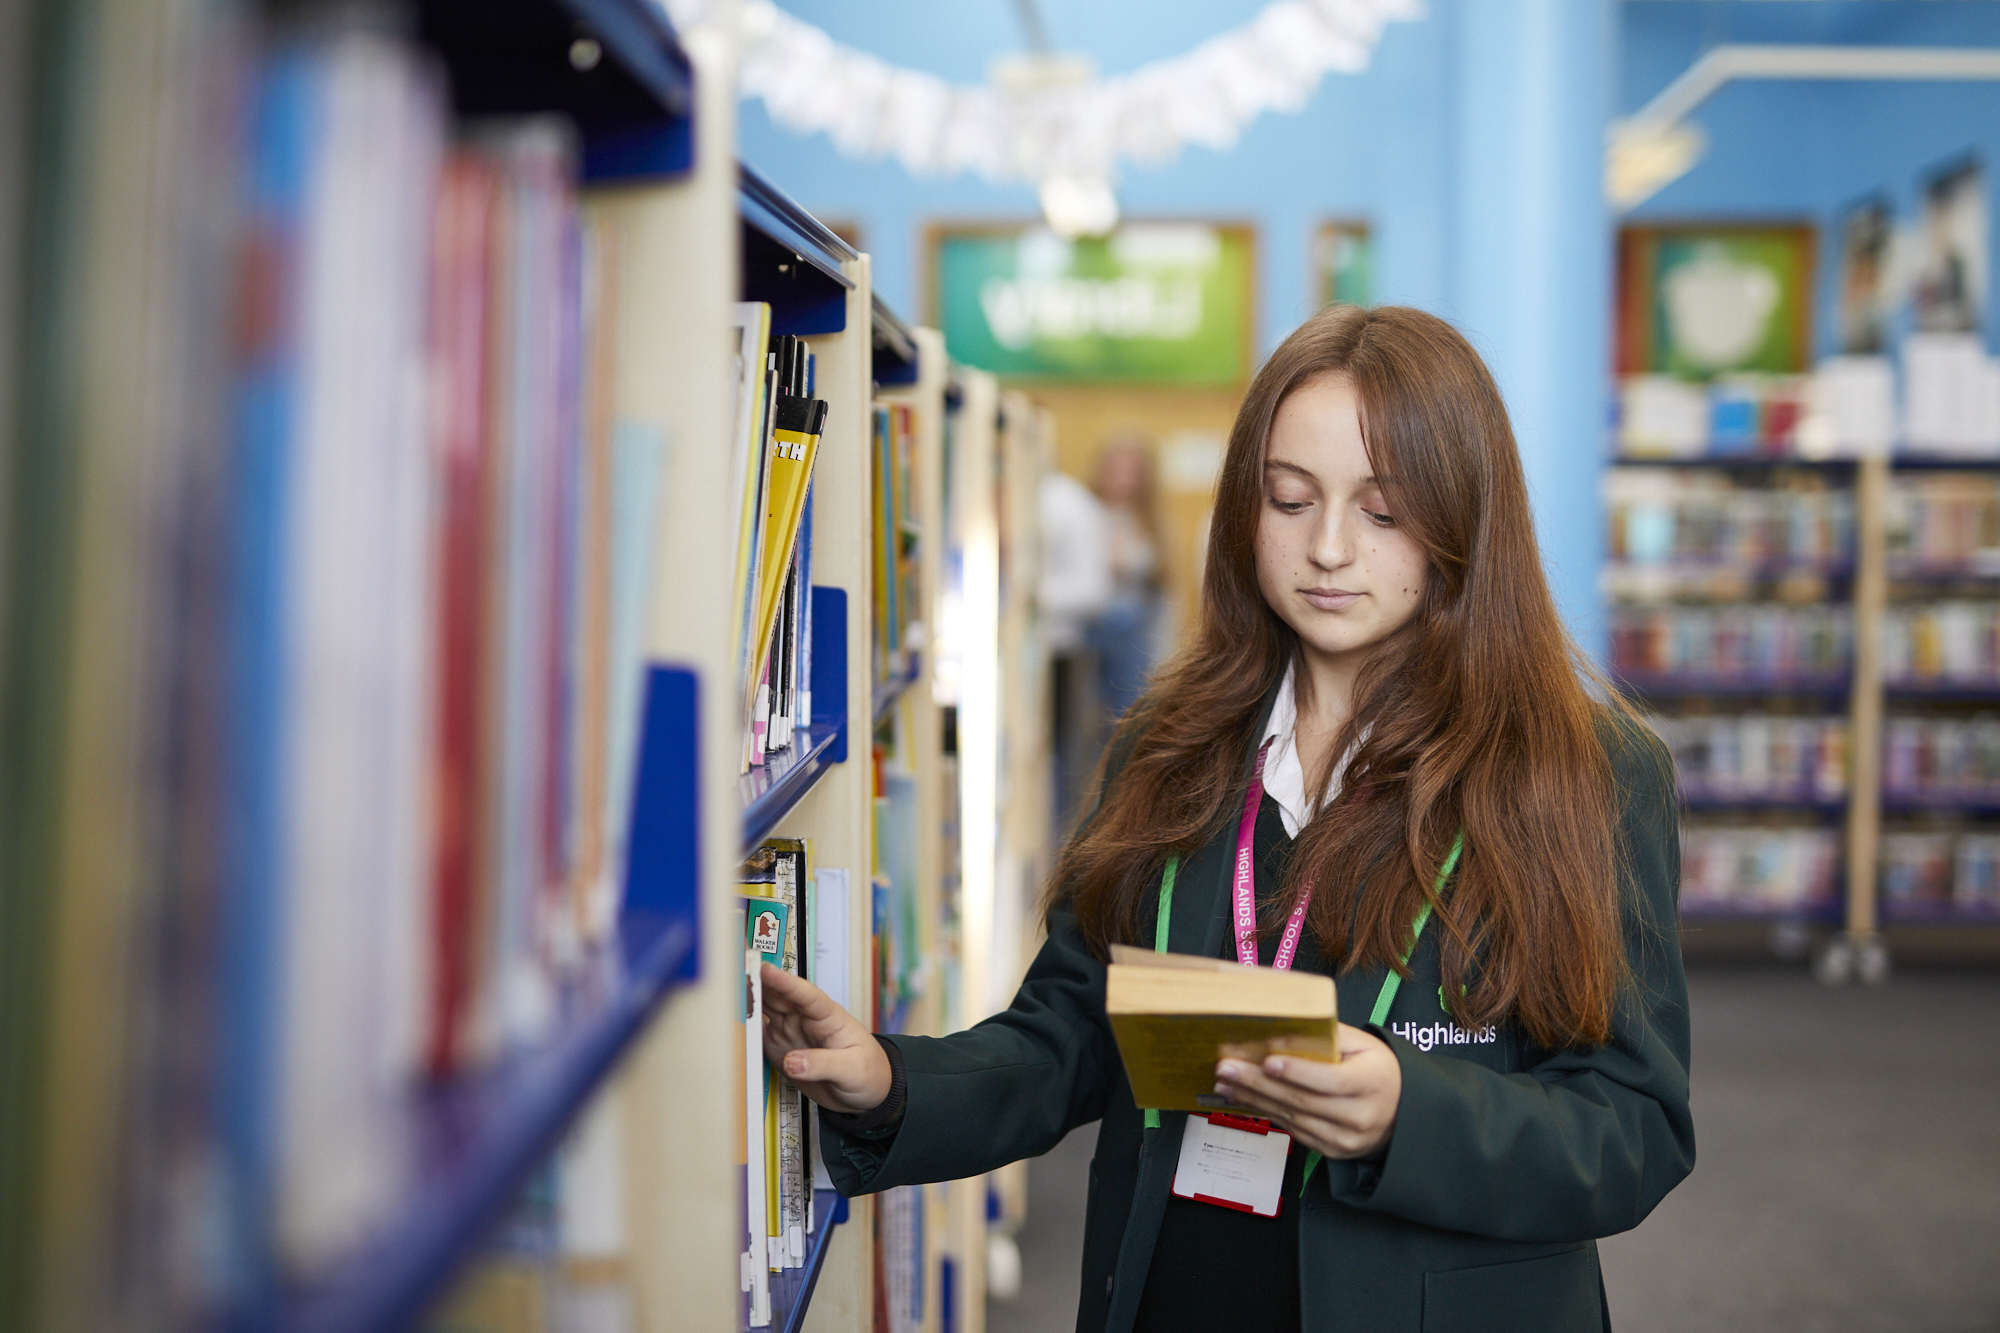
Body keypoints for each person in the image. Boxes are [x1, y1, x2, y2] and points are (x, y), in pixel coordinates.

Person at [761, 305, 1693, 1333]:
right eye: (1289, 500)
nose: (1328, 548)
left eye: (1381, 512)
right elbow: (1070, 1031)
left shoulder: (1588, 774)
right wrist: (892, 1080)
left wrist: (1404, 1115)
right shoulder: (1170, 743)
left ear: (1463, 520)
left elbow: (1632, 1123)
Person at [1086, 435, 1163, 722]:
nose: (1123, 480)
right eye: (1116, 470)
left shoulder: (1150, 522)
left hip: (1134, 634)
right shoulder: (1086, 513)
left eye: (1132, 472)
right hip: (1091, 629)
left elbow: (1160, 588)